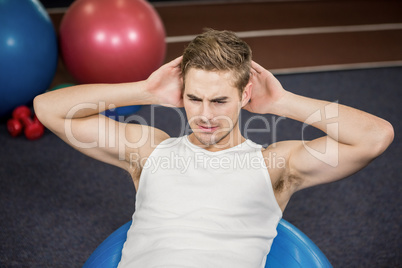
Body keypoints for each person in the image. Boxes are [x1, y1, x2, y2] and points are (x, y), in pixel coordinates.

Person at [34, 30, 394, 268]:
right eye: (194, 98)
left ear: (245, 95)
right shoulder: (148, 150)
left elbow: (375, 136)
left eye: (220, 100)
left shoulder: (275, 165)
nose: (205, 116)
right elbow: (47, 108)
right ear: (181, 95)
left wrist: (282, 101)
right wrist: (144, 91)